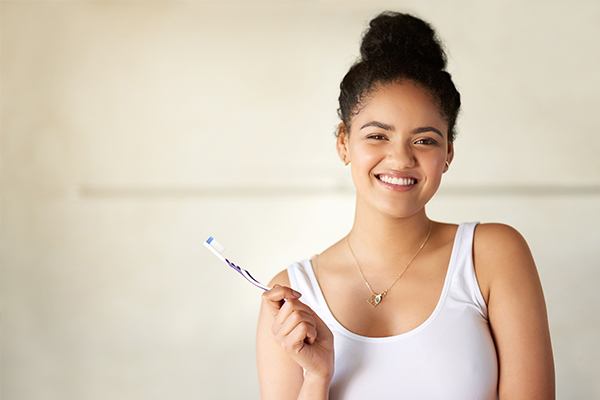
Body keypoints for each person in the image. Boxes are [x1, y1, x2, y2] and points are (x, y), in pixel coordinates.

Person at [255, 10, 555, 400]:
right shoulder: (291, 295)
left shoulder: (491, 256)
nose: (400, 159)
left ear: (448, 153)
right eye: (378, 136)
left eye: (425, 140)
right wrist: (316, 378)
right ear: (344, 142)